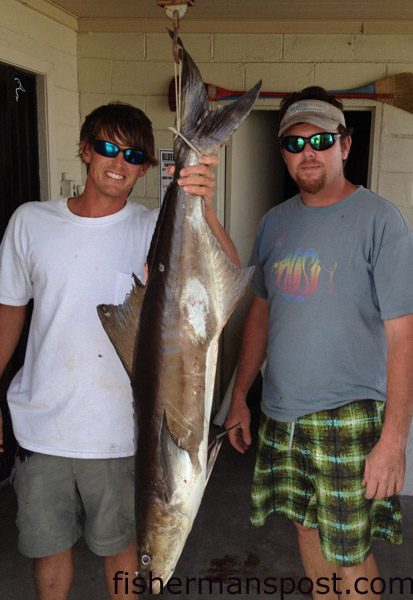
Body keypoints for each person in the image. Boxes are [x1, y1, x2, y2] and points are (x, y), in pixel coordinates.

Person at [0, 101, 238, 600]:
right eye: (107, 147)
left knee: (123, 551)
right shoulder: (30, 222)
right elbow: (9, 314)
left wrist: (205, 206)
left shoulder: (152, 227)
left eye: (133, 154)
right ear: (85, 151)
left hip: (124, 434)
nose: (118, 161)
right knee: (49, 550)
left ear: (146, 167)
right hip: (42, 426)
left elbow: (227, 270)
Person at [226, 87, 413, 600]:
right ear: (283, 151)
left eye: (322, 139)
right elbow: (261, 315)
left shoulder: (382, 222)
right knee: (306, 530)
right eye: (294, 142)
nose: (307, 151)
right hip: (282, 414)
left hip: (349, 414)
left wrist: (394, 440)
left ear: (345, 145)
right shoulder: (274, 223)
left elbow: (405, 339)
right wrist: (241, 396)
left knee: (349, 552)